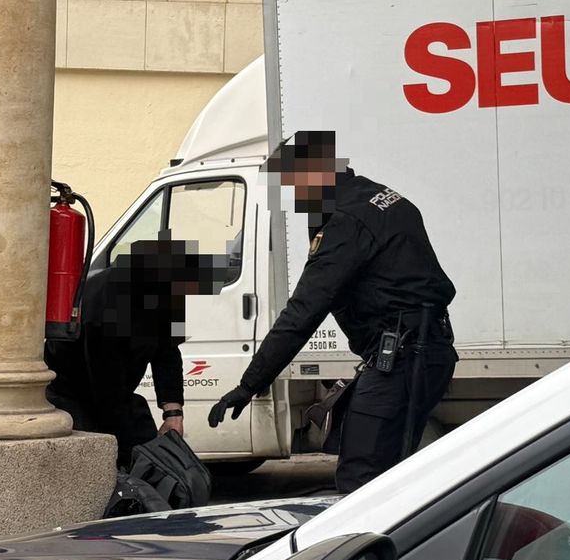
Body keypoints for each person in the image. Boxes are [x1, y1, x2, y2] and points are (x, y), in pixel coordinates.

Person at [209, 130, 457, 493]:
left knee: (359, 479)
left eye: (294, 186)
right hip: (422, 351)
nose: (294, 199)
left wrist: (249, 385)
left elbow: (304, 311)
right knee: (390, 480)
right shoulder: (379, 196)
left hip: (404, 358)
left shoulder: (345, 221)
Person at [46, 236, 229, 460]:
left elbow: (168, 354)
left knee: (139, 438)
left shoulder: (164, 295)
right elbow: (105, 388)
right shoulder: (104, 305)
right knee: (101, 449)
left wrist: (173, 415)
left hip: (113, 390)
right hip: (72, 392)